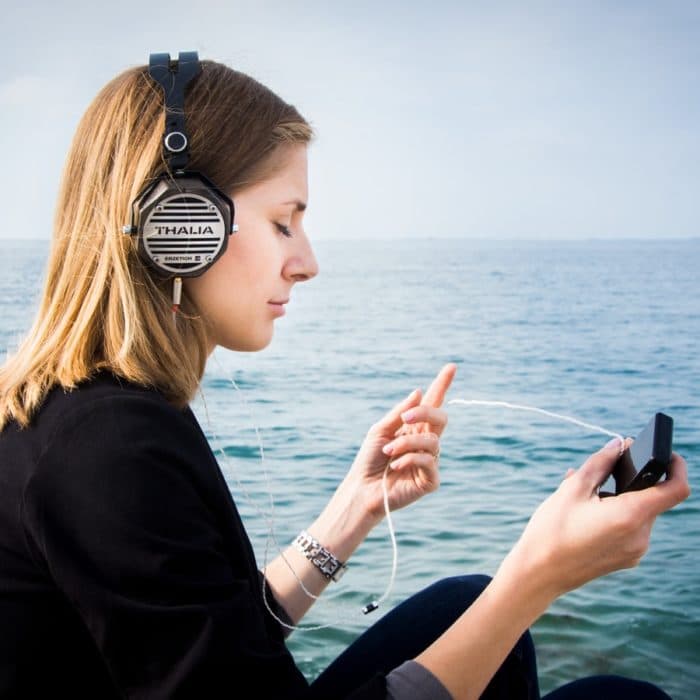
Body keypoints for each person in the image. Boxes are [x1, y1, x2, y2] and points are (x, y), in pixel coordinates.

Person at [0, 53, 689, 700]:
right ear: (180, 225)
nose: (308, 262)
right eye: (282, 223)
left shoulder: (99, 407)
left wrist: (355, 509)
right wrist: (536, 579)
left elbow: (214, 648)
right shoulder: (105, 450)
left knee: (462, 603)